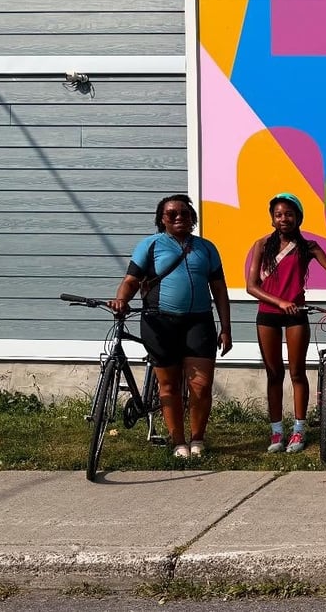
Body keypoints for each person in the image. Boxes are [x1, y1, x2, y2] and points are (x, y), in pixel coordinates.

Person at [107, 194, 232, 459]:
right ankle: (178, 442)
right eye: (171, 214)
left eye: (184, 213)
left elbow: (219, 290)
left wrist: (226, 327)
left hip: (199, 322)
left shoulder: (206, 248)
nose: (178, 218)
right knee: (169, 386)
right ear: (161, 219)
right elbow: (131, 280)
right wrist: (121, 300)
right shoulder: (150, 245)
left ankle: (197, 439)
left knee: (200, 385)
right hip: (159, 322)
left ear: (192, 218)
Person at [245, 193, 326, 454]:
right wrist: (279, 302)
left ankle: (298, 431)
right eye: (279, 214)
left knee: (297, 372)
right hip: (268, 314)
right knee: (273, 374)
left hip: (296, 315)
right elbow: (251, 287)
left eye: (289, 214)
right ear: (272, 218)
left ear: (298, 218)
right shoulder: (261, 245)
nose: (284, 219)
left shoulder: (309, 247)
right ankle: (276, 432)